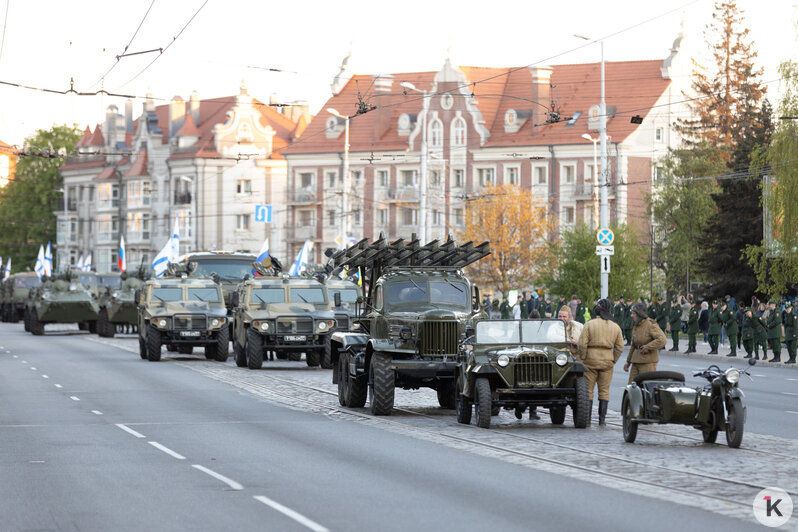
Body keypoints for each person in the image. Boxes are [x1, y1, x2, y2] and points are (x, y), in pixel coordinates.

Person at [578, 298, 624, 425]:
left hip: (590, 360)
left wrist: (583, 357)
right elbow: (620, 347)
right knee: (604, 390)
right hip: (607, 360)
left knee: (588, 390)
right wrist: (613, 359)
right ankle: (602, 419)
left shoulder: (589, 324)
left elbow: (582, 344)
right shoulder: (616, 327)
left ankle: (587, 418)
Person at [624, 303, 667, 383]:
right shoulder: (636, 325)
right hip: (636, 361)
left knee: (645, 389)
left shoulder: (650, 324)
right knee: (631, 388)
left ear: (639, 314)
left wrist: (648, 347)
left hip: (648, 363)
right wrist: (628, 361)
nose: (632, 316)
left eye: (634, 313)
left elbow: (662, 339)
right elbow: (634, 345)